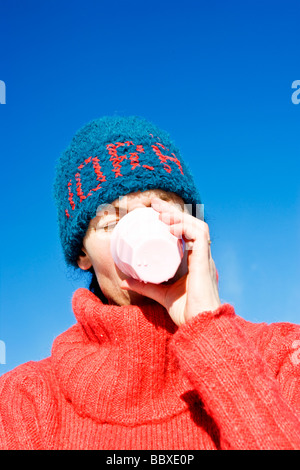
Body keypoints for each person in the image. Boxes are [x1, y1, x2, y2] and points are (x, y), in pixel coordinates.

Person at [0, 116, 299, 450]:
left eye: (161, 209)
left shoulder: (282, 358)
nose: (144, 233)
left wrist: (212, 334)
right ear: (82, 253)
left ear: (190, 221)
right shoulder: (25, 400)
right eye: (112, 223)